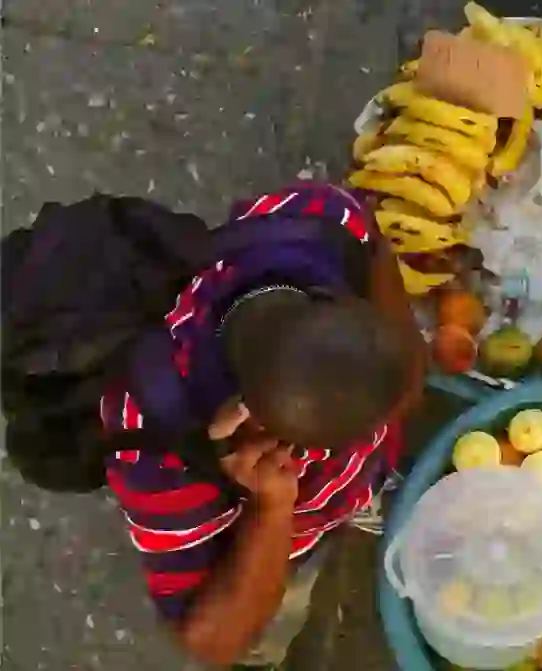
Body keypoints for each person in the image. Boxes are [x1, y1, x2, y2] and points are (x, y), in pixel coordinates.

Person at [99, 184, 426, 667]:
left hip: (327, 490)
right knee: (268, 628)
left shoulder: (321, 218)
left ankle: (357, 495)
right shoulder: (157, 446)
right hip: (278, 546)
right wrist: (273, 508)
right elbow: (211, 639)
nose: (389, 421)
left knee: (364, 471)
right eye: (340, 446)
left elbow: (378, 261)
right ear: (247, 420)